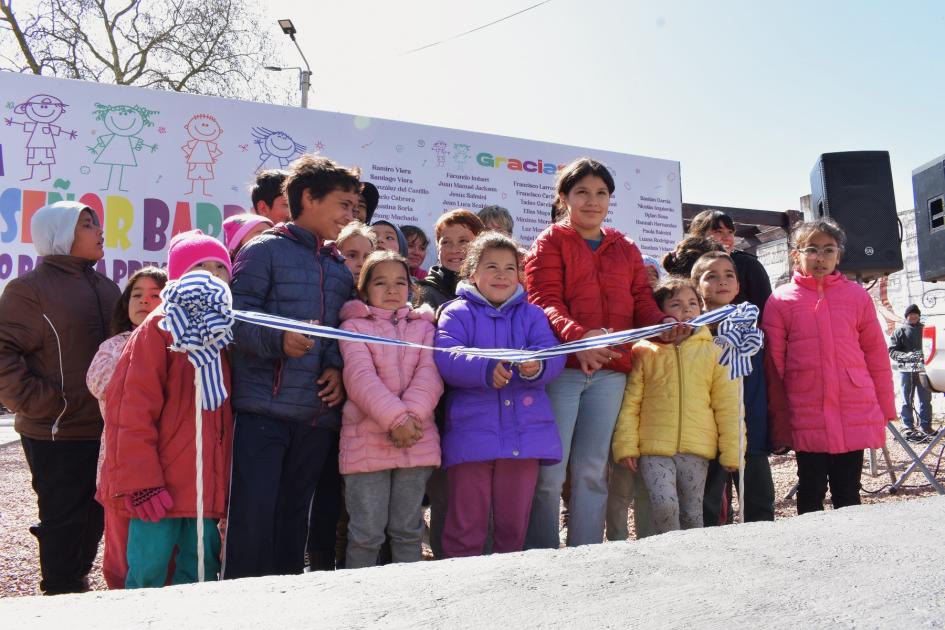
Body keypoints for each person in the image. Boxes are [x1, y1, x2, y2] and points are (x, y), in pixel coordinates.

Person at [524, 157, 682, 550]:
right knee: (550, 471)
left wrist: (665, 324)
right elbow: (543, 302)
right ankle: (540, 552)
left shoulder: (625, 246)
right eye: (582, 192)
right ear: (564, 198)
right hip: (564, 369)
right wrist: (581, 339)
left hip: (612, 372)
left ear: (610, 198)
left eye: (601, 193)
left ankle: (587, 551)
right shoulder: (549, 242)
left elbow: (641, 302)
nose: (592, 201)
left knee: (593, 469)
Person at [223, 155, 358, 579]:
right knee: (253, 520)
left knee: (293, 522)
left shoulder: (338, 268)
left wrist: (336, 368)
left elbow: (344, 329)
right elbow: (233, 319)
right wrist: (278, 341)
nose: (349, 216)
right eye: (343, 204)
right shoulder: (263, 250)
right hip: (263, 412)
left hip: (316, 417)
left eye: (354, 207)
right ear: (307, 198)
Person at [0, 201, 120, 595]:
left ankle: (74, 583)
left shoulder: (108, 288)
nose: (99, 229)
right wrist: (42, 401)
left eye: (97, 221)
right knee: (63, 518)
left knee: (96, 515)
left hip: (103, 427)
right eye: (88, 224)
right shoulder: (28, 290)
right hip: (55, 430)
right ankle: (59, 594)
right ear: (62, 234)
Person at [102, 231, 232, 588]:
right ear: (176, 277)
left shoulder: (222, 333)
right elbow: (130, 411)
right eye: (199, 267)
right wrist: (142, 482)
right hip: (158, 489)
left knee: (201, 572)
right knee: (147, 572)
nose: (211, 276)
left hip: (203, 491)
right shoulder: (158, 329)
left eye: (220, 268)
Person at [435, 232, 565, 557]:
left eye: (510, 268)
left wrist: (537, 367)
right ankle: (460, 587)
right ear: (472, 272)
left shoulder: (533, 315)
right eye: (491, 266)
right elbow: (446, 355)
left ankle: (511, 592)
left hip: (525, 437)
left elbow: (553, 353)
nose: (501, 275)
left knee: (513, 525)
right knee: (466, 524)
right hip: (471, 438)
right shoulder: (455, 312)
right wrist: (483, 370)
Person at [763, 219, 896, 514]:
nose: (820, 257)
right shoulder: (781, 300)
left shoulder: (857, 296)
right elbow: (775, 364)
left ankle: (852, 554)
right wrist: (779, 415)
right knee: (810, 487)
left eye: (828, 249)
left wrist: (885, 407)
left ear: (839, 254)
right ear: (795, 254)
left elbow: (875, 354)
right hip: (806, 407)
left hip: (853, 405)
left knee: (848, 489)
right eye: (812, 249)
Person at [612, 277, 742, 534]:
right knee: (664, 505)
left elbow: (727, 405)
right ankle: (668, 558)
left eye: (693, 303)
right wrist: (626, 445)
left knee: (693, 513)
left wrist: (732, 450)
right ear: (661, 313)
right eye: (677, 304)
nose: (687, 310)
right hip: (654, 448)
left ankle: (693, 564)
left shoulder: (714, 352)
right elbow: (631, 402)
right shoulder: (644, 351)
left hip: (697, 448)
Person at [338, 250, 443, 567]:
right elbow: (359, 379)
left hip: (416, 439)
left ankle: (408, 605)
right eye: (380, 282)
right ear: (364, 289)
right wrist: (396, 419)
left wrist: (410, 419)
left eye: (400, 282)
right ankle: (361, 605)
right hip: (366, 443)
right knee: (366, 535)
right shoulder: (353, 327)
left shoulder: (425, 327)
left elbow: (431, 375)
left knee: (407, 531)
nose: (392, 290)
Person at [86, 266, 167, 589]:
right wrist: (144, 357)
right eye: (137, 295)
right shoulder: (113, 346)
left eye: (155, 294)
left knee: (163, 548)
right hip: (118, 465)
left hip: (167, 464)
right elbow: (100, 383)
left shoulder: (179, 346)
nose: (145, 301)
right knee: (120, 552)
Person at [416, 208, 485, 558]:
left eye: (464, 241)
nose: (454, 248)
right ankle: (446, 563)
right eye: (446, 241)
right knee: (444, 494)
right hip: (441, 408)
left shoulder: (496, 289)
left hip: (485, 406)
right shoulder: (425, 293)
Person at [691, 251, 775, 524]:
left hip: (750, 425)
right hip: (706, 429)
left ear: (738, 285)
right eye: (711, 276)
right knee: (709, 502)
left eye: (729, 275)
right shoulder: (689, 333)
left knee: (759, 501)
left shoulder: (751, 326)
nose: (722, 282)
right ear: (696, 286)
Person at [688, 209, 772, 317]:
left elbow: (766, 311)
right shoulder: (686, 266)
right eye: (718, 231)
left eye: (730, 232)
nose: (727, 238)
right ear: (699, 236)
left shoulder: (748, 265)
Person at [889, 304, 934, 440]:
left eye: (915, 314)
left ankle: (926, 426)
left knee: (925, 399)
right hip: (906, 370)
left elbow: (933, 347)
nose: (913, 316)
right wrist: (906, 356)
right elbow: (892, 350)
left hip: (923, 370)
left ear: (919, 316)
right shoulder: (899, 331)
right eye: (910, 314)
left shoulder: (926, 330)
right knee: (906, 399)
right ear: (906, 316)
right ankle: (908, 427)